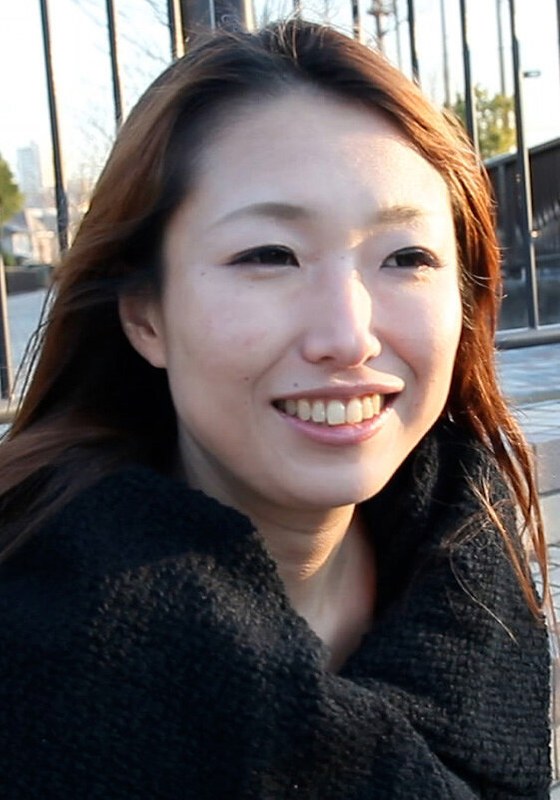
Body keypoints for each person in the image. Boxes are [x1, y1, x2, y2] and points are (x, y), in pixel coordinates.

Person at [0, 19, 551, 799]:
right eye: (269, 256)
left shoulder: (471, 563)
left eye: (406, 257)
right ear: (145, 315)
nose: (348, 336)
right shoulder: (35, 638)